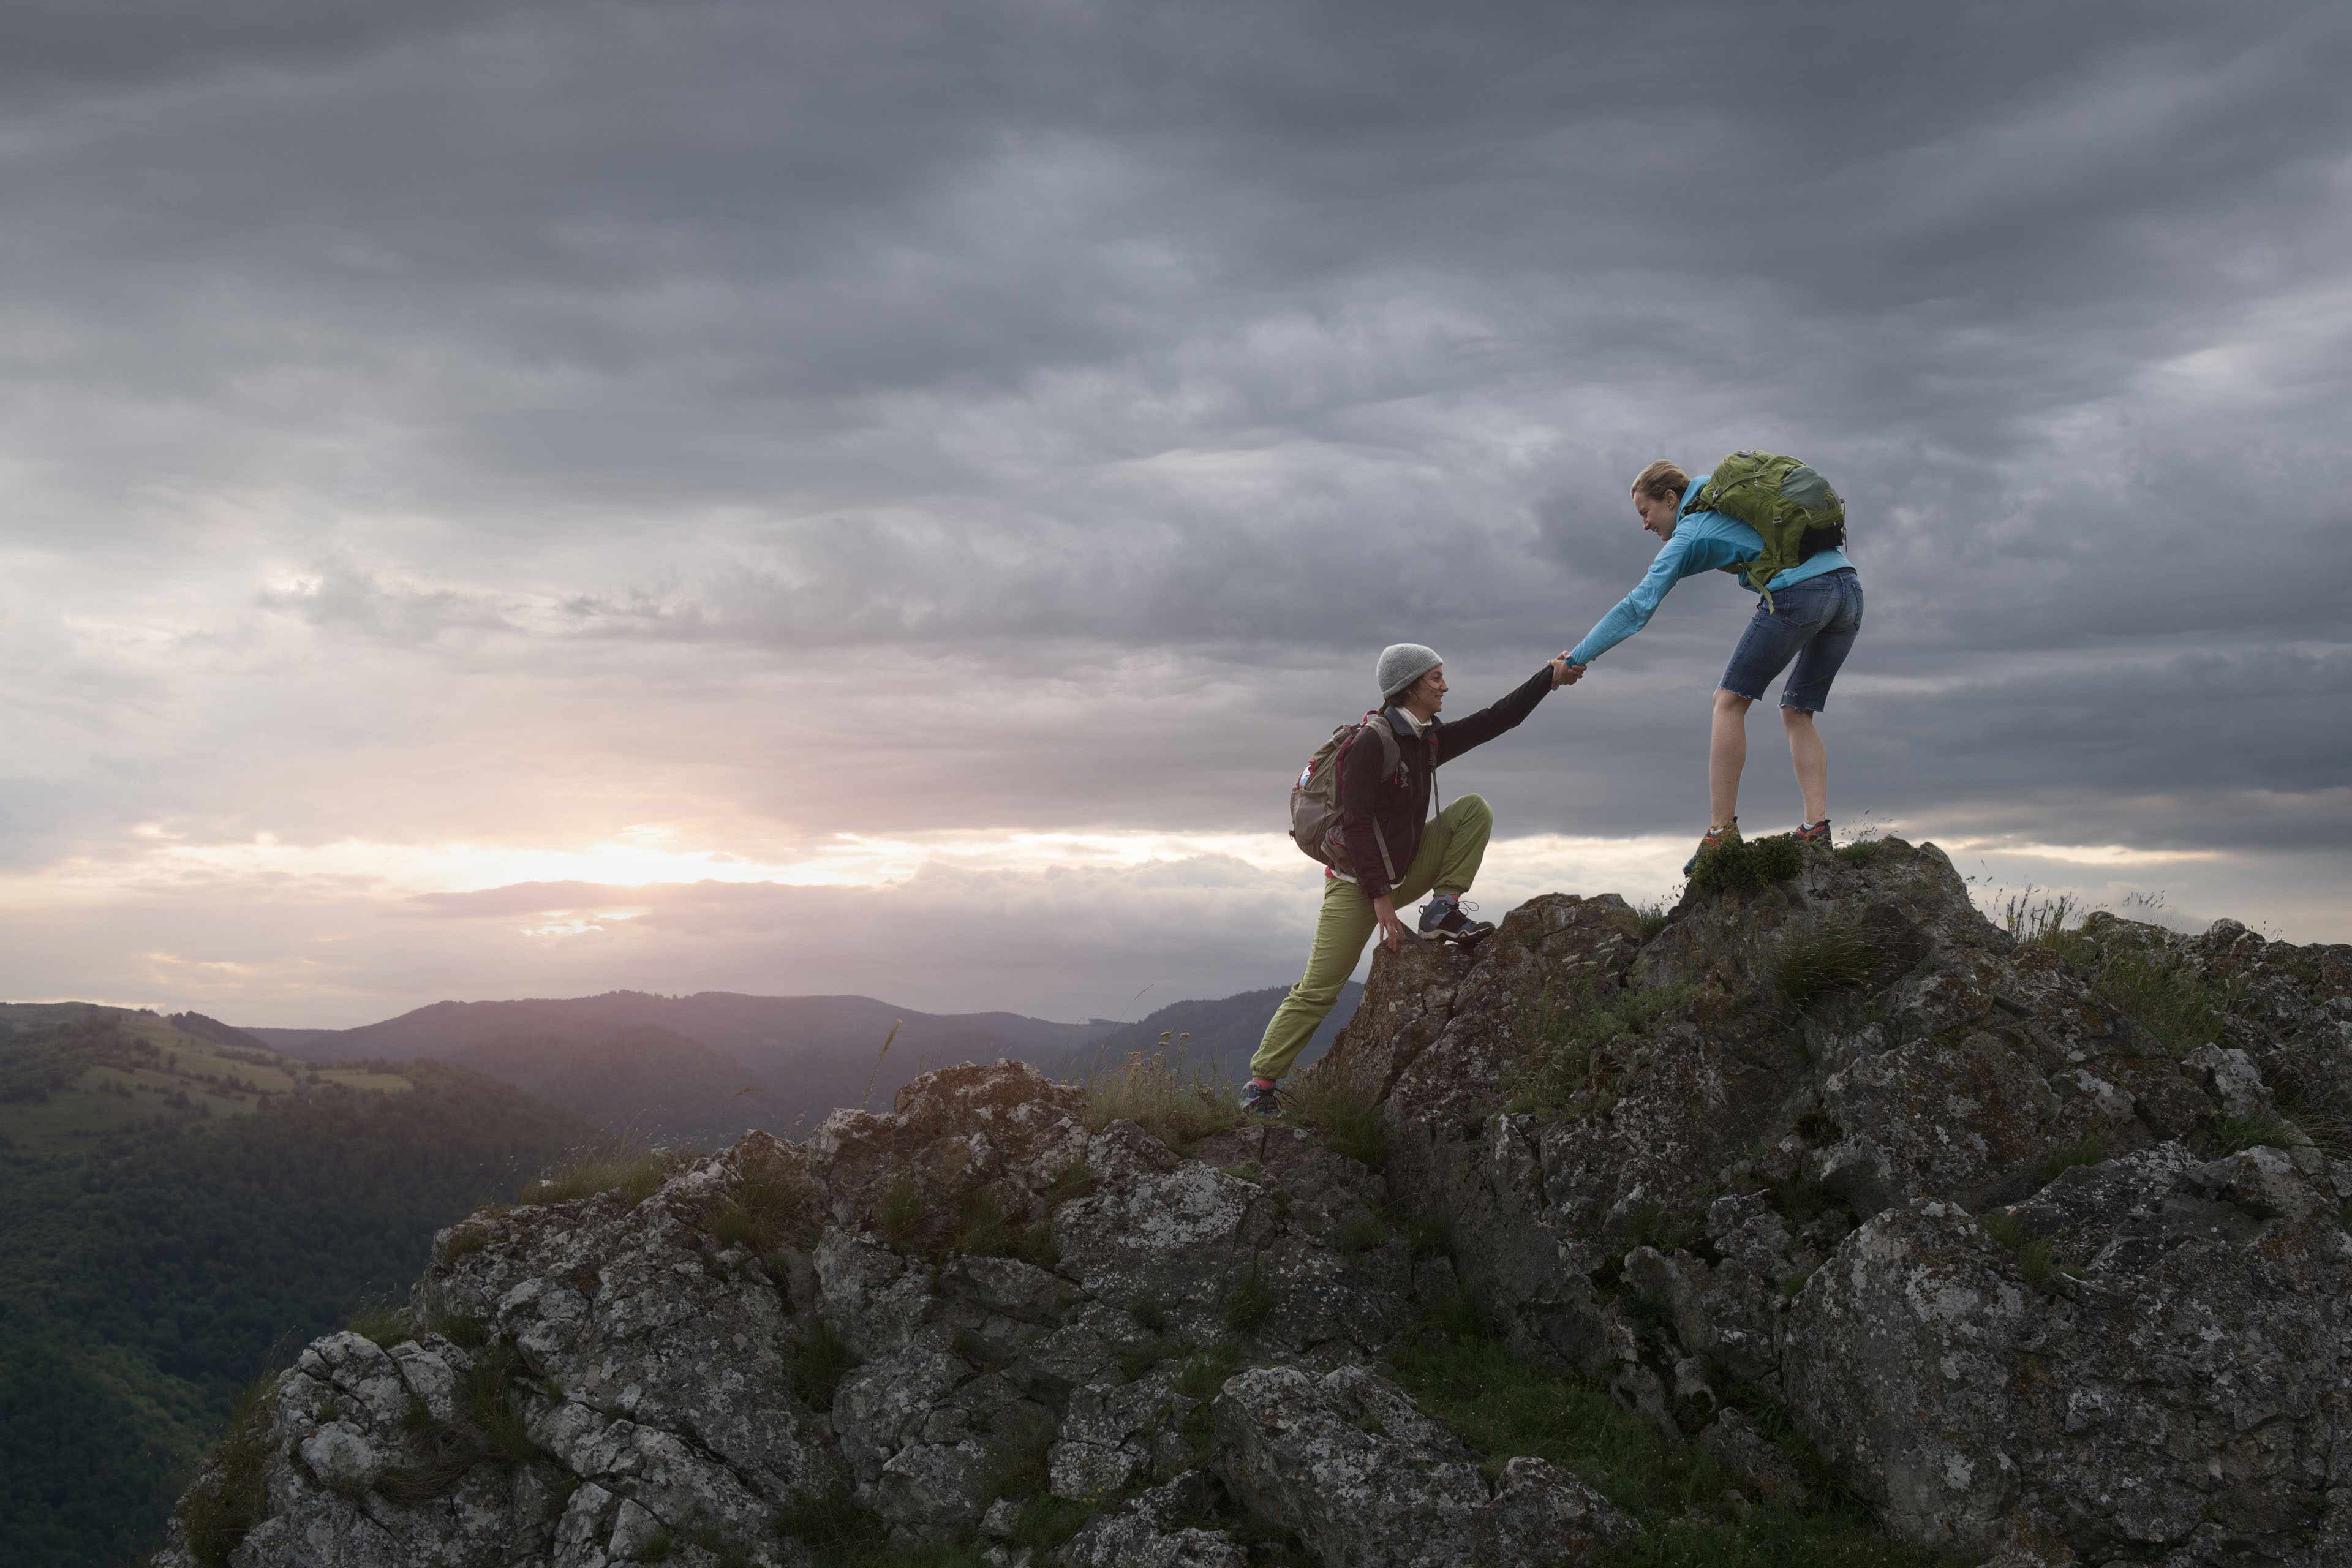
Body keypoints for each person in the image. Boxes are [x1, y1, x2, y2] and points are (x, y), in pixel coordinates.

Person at [1242, 644, 1583, 1117]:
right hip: (1356, 883)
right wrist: (1381, 900)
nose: (1445, 686)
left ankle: (1442, 908)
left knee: (1473, 811)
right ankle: (1260, 1084)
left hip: (1405, 866)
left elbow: (1497, 719)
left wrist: (1548, 677)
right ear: (1408, 686)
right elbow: (1357, 824)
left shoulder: (1426, 740)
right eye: (1436, 678)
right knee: (1320, 988)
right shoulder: (1373, 743)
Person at [1561, 458, 1863, 870]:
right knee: (1797, 710)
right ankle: (1816, 828)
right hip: (1848, 588)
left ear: (1671, 499)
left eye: (1646, 513)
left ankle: (1720, 834)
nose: (1645, 525)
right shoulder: (1723, 500)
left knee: (1729, 701)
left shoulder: (1690, 531)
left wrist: (1576, 658)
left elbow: (1637, 607)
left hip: (1802, 593)